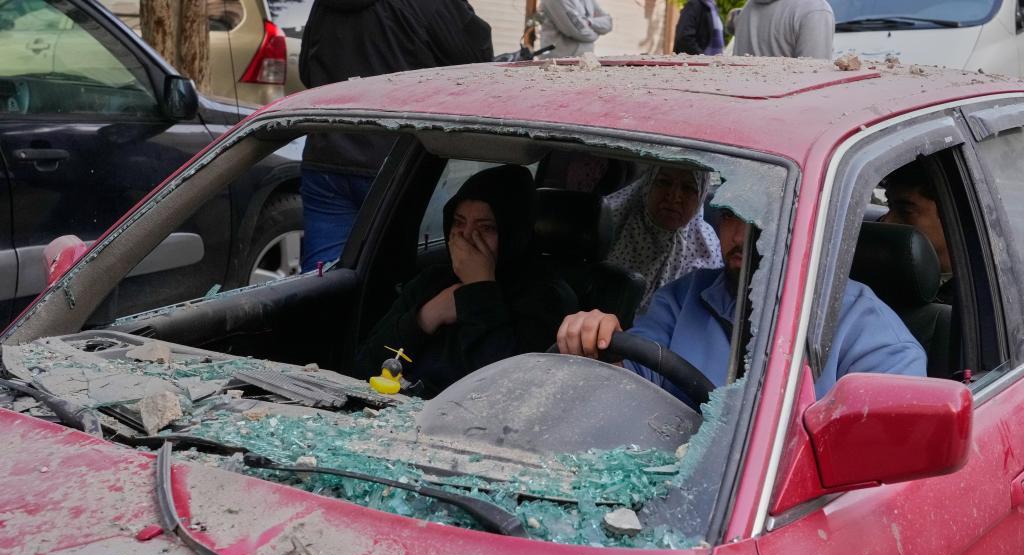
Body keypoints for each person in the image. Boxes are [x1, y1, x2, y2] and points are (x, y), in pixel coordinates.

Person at [557, 208, 926, 406]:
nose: (741, 238)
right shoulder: (682, 297)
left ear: (806, 224)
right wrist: (600, 341)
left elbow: (880, 463)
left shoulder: (870, 331)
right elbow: (631, 385)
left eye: (765, 216)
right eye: (732, 215)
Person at [298, 0, 494, 272]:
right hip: (401, 162)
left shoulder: (324, 5)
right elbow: (480, 63)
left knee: (321, 282)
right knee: (391, 284)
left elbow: (307, 71)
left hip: (328, 156)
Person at [355, 165, 577, 397]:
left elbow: (507, 391)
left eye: (486, 228)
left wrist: (479, 290)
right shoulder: (431, 282)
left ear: (513, 232)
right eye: (459, 222)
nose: (467, 237)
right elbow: (364, 366)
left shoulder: (547, 298)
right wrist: (426, 317)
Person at [605, 166, 722, 313]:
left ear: (701, 196)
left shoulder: (707, 248)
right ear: (648, 185)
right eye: (664, 182)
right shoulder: (610, 223)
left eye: (688, 188)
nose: (674, 196)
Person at [879, 161, 953, 303]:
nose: (886, 221)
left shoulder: (978, 291)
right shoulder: (878, 269)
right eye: (889, 206)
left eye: (905, 211)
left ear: (948, 214)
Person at [732, 0, 834, 59]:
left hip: (740, 94)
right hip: (790, 96)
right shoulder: (814, 9)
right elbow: (814, 84)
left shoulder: (748, 7)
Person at [539, 0, 613, 58]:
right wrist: (596, 34)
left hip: (584, 60)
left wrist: (589, 22)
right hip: (558, 63)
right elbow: (580, 33)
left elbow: (608, 22)